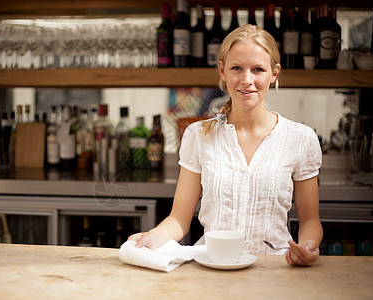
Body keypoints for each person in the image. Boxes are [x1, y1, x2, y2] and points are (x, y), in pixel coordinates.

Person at [128, 24, 323, 267]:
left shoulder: (300, 139)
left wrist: (308, 246)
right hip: (211, 268)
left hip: (274, 271)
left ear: (274, 74)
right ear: (222, 71)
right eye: (237, 68)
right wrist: (152, 237)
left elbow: (309, 221)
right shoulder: (198, 135)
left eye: (258, 69)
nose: (247, 80)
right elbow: (179, 219)